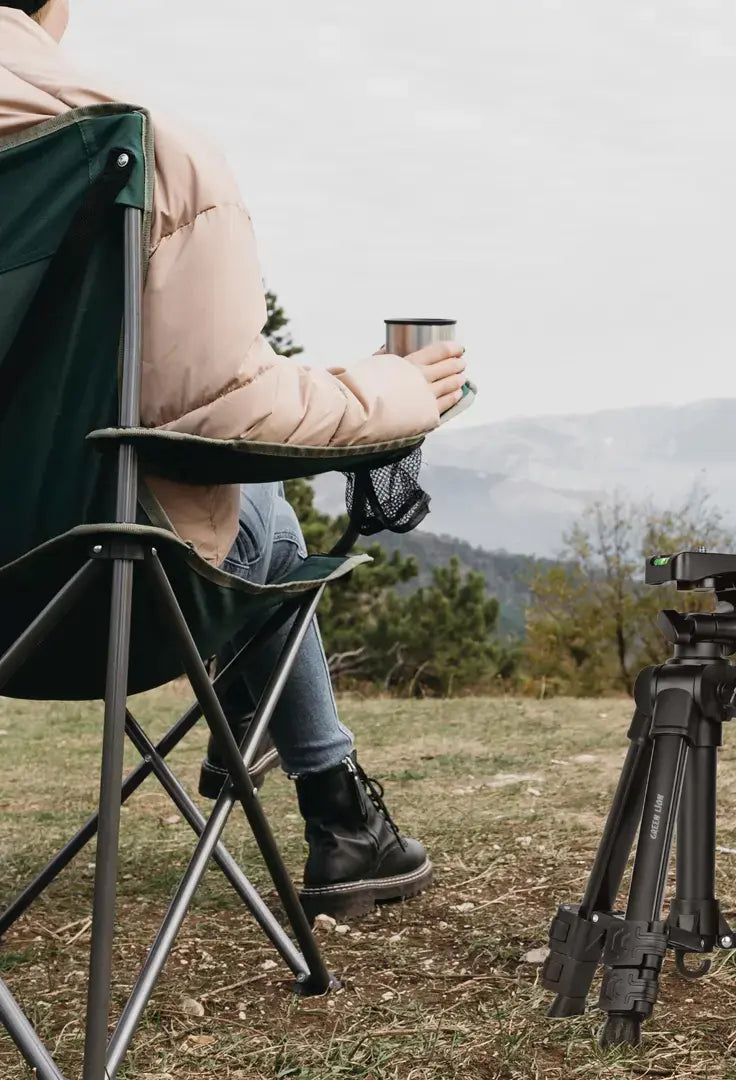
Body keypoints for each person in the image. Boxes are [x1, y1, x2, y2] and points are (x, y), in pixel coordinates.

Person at [0, 0, 466, 917]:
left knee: (245, 520)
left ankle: (273, 740)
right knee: (266, 529)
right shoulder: (137, 147)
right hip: (83, 594)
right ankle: (336, 811)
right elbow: (224, 421)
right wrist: (397, 388)